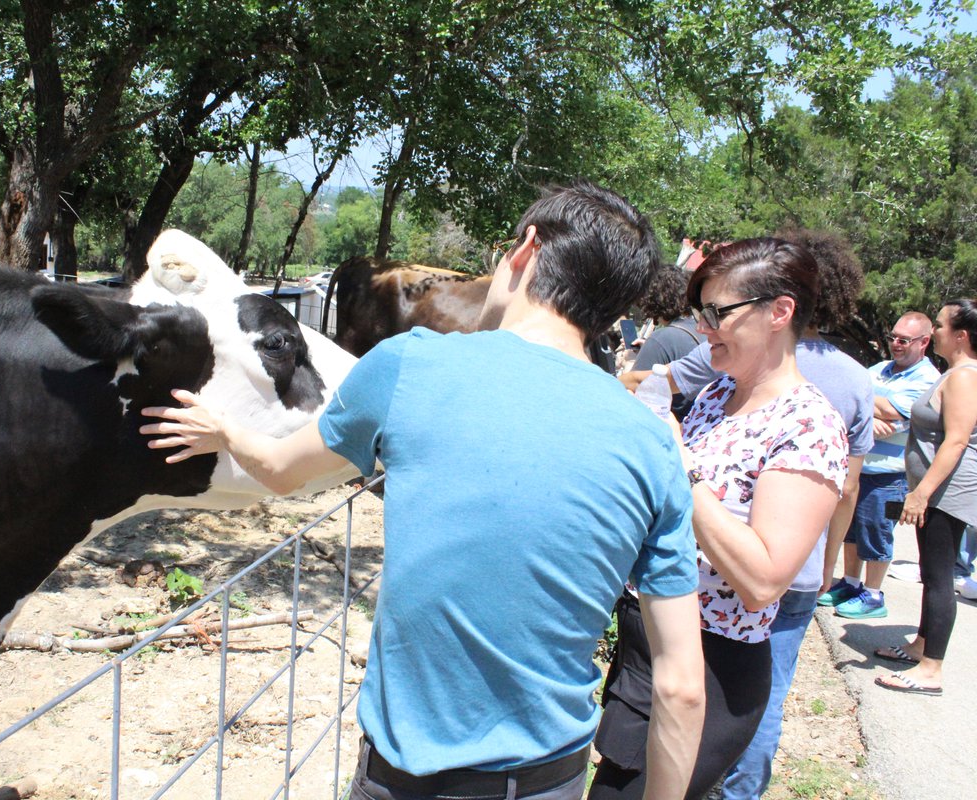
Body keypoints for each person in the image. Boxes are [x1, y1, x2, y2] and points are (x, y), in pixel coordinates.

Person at [141, 180, 706, 800]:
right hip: (550, 780)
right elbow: (681, 687)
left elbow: (279, 470)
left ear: (526, 250)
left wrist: (224, 431)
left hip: (404, 780)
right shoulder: (653, 444)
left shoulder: (409, 364)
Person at [589, 238, 848, 800]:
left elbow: (762, 579)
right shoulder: (716, 395)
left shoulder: (808, 427)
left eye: (716, 313)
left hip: (711, 668)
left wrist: (681, 466)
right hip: (650, 647)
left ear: (779, 312)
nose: (702, 328)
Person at [874, 299, 977, 696]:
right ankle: (921, 645)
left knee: (938, 578)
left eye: (940, 325)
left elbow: (956, 442)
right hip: (938, 491)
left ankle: (931, 669)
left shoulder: (964, 377)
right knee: (930, 573)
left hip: (948, 493)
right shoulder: (953, 373)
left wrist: (921, 493)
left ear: (961, 336)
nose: (934, 331)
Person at [818, 312, 939, 620]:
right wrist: (870, 417)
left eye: (904, 340)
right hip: (859, 470)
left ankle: (873, 594)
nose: (896, 344)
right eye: (893, 338)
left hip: (890, 476)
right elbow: (852, 401)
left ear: (924, 342)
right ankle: (851, 583)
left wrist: (865, 407)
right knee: (850, 531)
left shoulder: (927, 380)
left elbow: (895, 413)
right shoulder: (878, 370)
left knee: (876, 532)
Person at [628, 266, 705, 421]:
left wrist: (629, 361)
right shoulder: (704, 330)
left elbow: (630, 394)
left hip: (670, 425)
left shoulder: (660, 339)